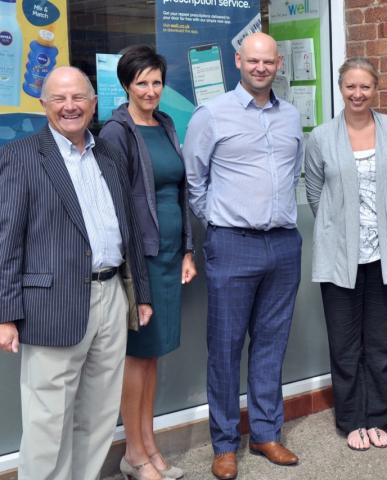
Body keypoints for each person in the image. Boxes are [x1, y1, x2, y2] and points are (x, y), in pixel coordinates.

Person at [0, 66, 152, 480]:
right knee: (48, 421)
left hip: (111, 296)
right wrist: (5, 314)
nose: (70, 107)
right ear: (43, 105)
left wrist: (142, 295)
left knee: (100, 413)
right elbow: (6, 240)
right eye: (59, 99)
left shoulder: (108, 154)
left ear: (94, 103)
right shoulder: (20, 156)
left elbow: (129, 227)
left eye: (79, 98)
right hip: (50, 304)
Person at [183, 32, 303, 480]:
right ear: (238, 61)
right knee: (226, 348)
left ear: (277, 65)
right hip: (232, 243)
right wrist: (219, 220)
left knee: (272, 344)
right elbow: (194, 181)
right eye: (252, 60)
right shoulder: (211, 115)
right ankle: (225, 443)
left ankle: (267, 434)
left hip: (284, 243)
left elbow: (294, 171)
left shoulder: (291, 116)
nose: (260, 68)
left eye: (268, 61)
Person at [100, 45, 197, 480]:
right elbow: (115, 207)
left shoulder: (166, 123)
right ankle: (134, 454)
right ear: (126, 85)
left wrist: (189, 250)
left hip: (171, 256)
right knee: (136, 357)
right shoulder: (116, 133)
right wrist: (133, 269)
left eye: (157, 81)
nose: (151, 90)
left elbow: (181, 192)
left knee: (153, 355)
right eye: (142, 82)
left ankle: (149, 443)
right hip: (140, 262)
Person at [305, 57, 387, 451]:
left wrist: (377, 223)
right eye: (350, 86)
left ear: (375, 88)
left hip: (384, 255)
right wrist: (341, 227)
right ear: (340, 87)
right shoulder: (320, 137)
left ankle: (379, 418)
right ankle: (351, 420)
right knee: (345, 345)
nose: (357, 94)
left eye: (365, 86)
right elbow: (315, 192)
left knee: (382, 342)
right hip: (338, 256)